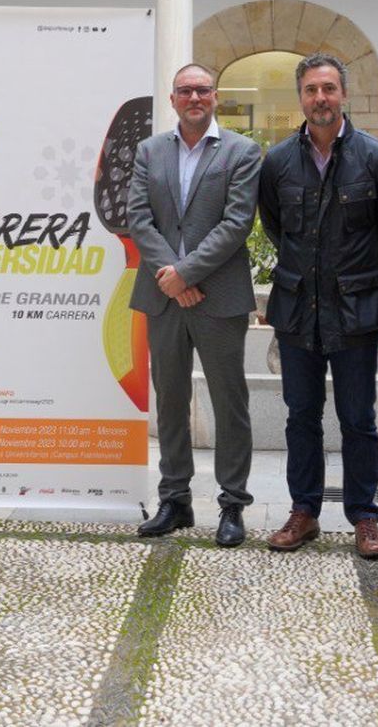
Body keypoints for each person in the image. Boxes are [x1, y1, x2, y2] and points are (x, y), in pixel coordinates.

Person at [258, 53, 378, 558]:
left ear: (344, 94)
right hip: (299, 311)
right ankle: (304, 511)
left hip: (356, 315)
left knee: (358, 418)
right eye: (311, 90)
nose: (320, 98)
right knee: (301, 415)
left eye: (329, 89)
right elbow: (277, 228)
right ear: (300, 96)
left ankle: (364, 516)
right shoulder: (276, 163)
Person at [127, 64, 262, 547]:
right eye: (185, 90)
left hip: (218, 297)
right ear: (172, 98)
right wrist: (173, 275)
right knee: (170, 399)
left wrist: (187, 272)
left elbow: (237, 222)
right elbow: (138, 217)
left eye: (202, 89)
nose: (194, 97)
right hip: (164, 297)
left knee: (230, 402)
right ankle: (175, 499)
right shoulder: (150, 151)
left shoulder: (243, 152)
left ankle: (232, 504)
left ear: (216, 96)